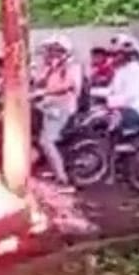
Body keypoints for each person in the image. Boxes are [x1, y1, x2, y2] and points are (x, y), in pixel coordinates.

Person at [35, 36, 83, 187]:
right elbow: (38, 81)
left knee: (46, 141)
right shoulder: (53, 66)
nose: (51, 53)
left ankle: (62, 179)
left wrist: (44, 92)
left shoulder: (72, 66)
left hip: (62, 107)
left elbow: (69, 85)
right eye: (50, 50)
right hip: (48, 105)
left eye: (54, 50)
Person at [100, 35, 139, 112]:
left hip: (131, 111)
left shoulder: (134, 69)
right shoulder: (120, 70)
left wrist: (107, 101)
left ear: (126, 54)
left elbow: (131, 97)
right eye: (111, 54)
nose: (111, 58)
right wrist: (91, 92)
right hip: (118, 109)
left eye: (115, 54)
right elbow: (111, 90)